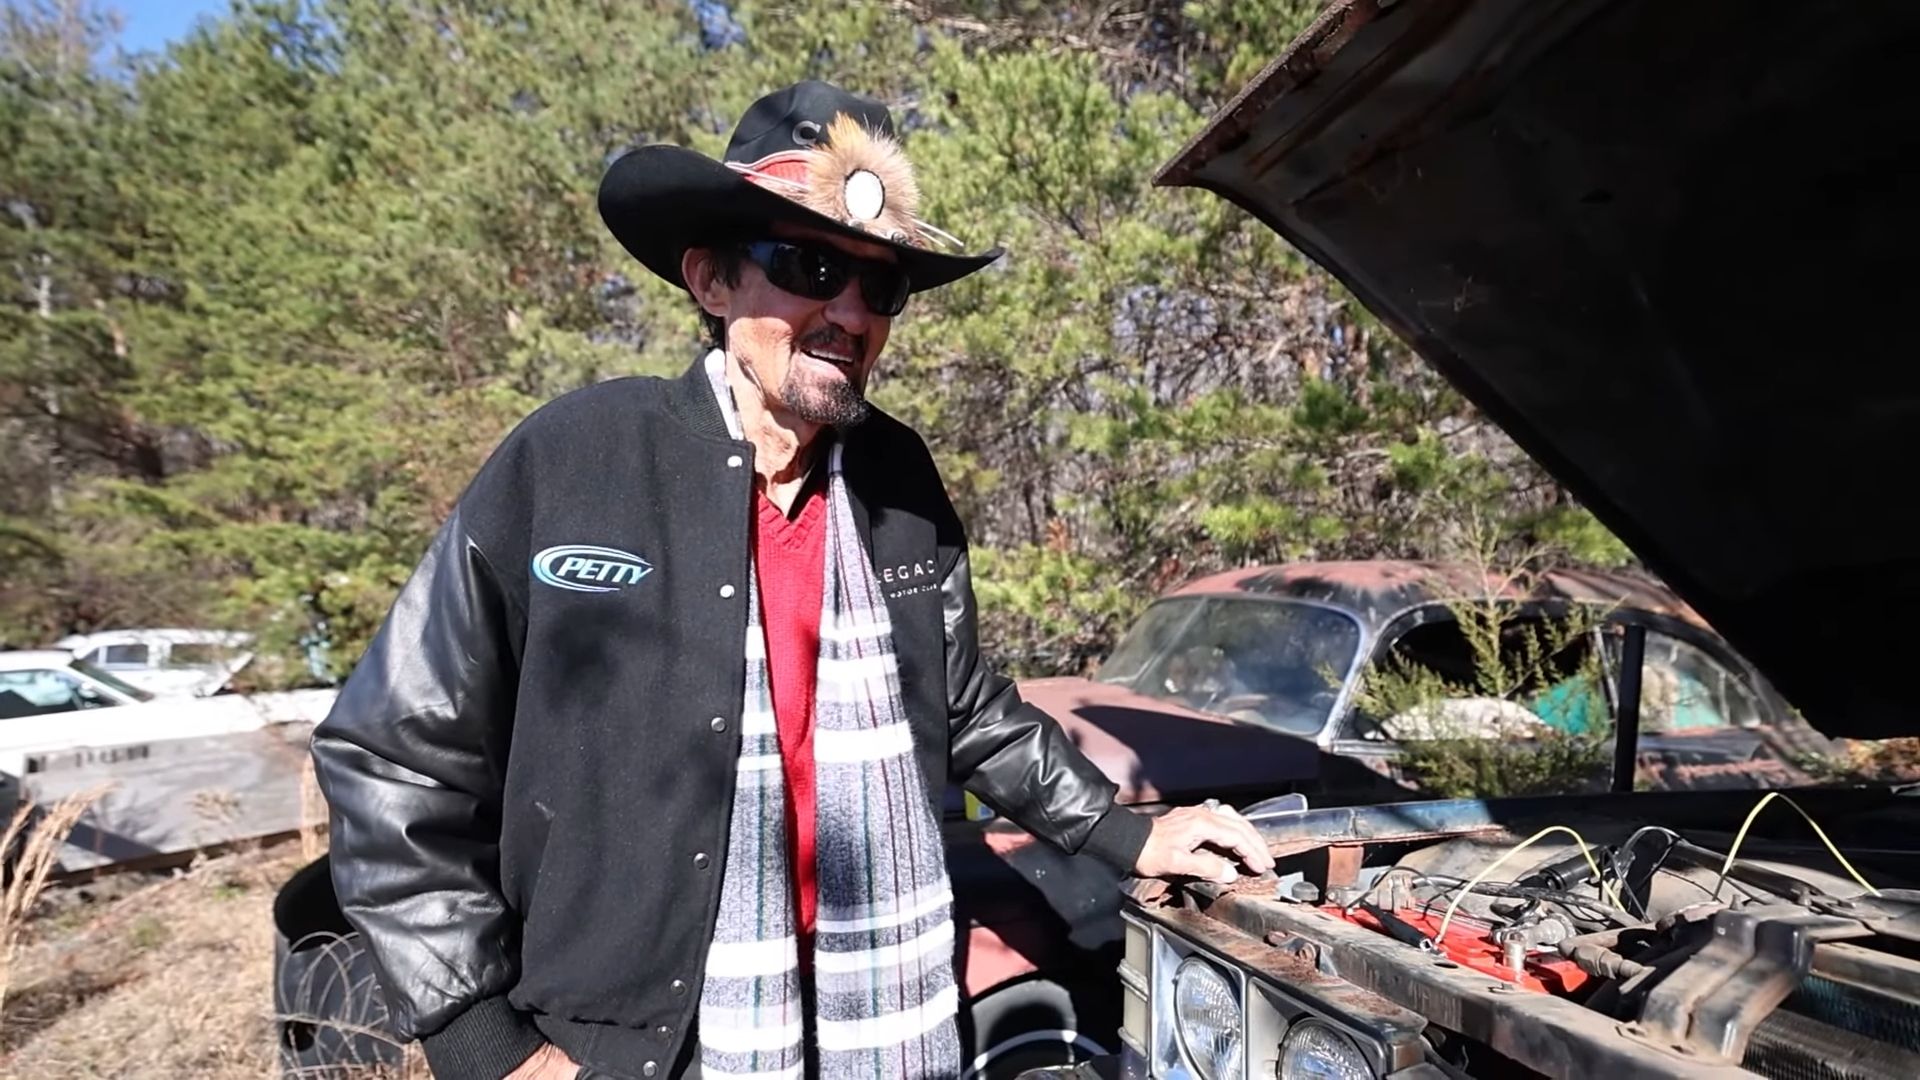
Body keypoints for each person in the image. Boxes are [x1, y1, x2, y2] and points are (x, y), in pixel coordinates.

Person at [311, 80, 1273, 1080]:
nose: (850, 312)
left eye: (880, 286)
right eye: (810, 264)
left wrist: (1128, 837)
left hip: (881, 1021)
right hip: (640, 1046)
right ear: (711, 282)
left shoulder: (897, 478)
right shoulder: (577, 462)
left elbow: (967, 706)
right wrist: (483, 1040)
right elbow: (391, 752)